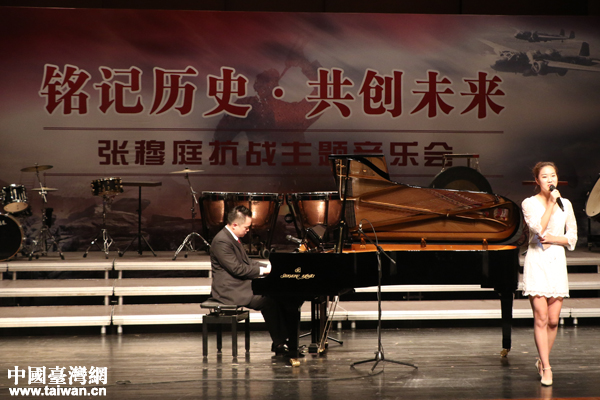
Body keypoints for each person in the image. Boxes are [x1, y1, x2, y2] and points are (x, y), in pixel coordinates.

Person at [209, 205, 302, 357]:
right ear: (234, 225)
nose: (248, 230)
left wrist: (269, 266)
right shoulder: (222, 241)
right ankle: (280, 342)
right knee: (268, 300)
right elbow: (237, 269)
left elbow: (248, 262)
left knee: (278, 295)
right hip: (229, 290)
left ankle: (284, 341)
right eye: (246, 227)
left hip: (239, 284)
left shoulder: (232, 238)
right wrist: (264, 271)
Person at [521, 161, 577, 386]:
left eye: (552, 175)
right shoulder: (529, 203)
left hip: (557, 261)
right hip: (537, 261)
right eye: (544, 176)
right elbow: (537, 229)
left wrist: (554, 239)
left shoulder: (567, 204)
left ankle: (541, 359)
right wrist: (552, 204)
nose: (550, 180)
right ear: (537, 181)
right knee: (541, 317)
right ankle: (546, 366)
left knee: (553, 321)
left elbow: (572, 237)